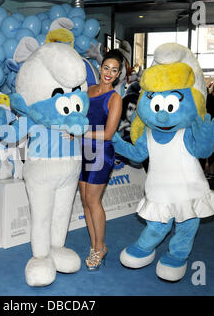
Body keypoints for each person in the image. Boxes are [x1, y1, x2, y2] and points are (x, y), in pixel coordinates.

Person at [78, 49, 123, 270]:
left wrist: (80, 133)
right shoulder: (88, 91)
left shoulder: (115, 98)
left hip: (100, 152)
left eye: (114, 70)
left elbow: (107, 133)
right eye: (106, 68)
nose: (109, 73)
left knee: (93, 201)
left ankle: (99, 247)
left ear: (118, 74)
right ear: (100, 68)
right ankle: (95, 245)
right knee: (85, 200)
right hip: (83, 151)